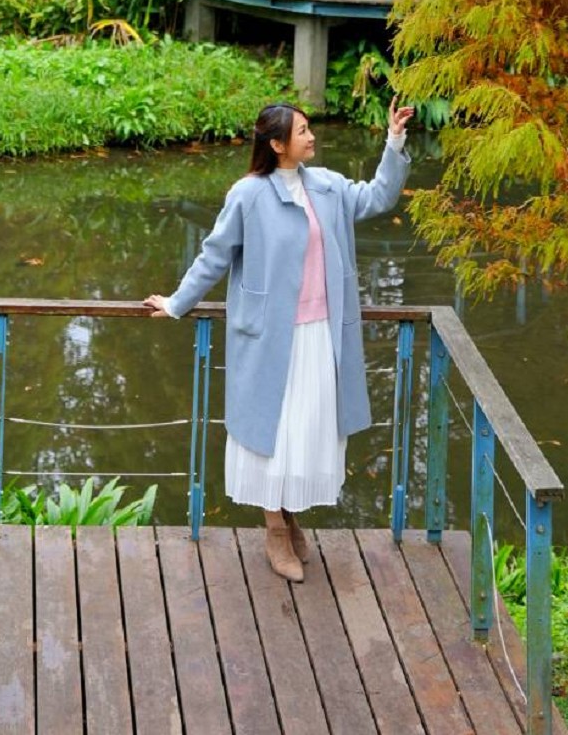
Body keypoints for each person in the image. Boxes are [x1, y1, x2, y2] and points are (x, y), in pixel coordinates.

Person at [144, 95, 413, 582]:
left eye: (310, 129)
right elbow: (214, 255)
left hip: (321, 336)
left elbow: (379, 197)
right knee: (272, 434)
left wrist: (394, 140)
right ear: (277, 143)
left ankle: (291, 517)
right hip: (270, 340)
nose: (312, 137)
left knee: (307, 432)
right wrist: (177, 302)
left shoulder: (328, 187)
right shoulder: (248, 195)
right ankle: (274, 530)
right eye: (303, 131)